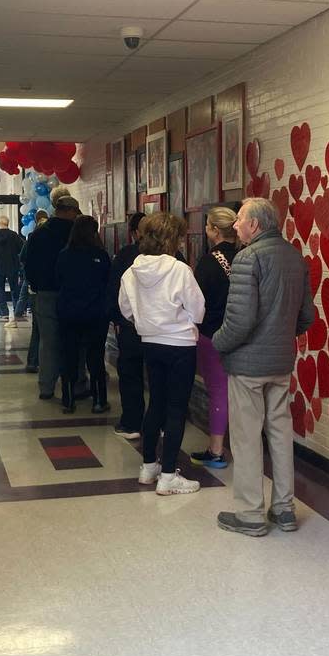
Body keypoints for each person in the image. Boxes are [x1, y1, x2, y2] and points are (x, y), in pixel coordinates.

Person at [212, 198, 314, 536]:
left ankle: (251, 513)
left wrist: (218, 342)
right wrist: (281, 335)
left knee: (246, 439)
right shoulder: (295, 257)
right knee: (281, 435)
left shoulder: (248, 257)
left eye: (240, 219)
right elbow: (306, 317)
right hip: (281, 362)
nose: (236, 225)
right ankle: (284, 509)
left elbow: (240, 321)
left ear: (255, 225)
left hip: (248, 366)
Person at [118, 212, 205, 496]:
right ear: (171, 238)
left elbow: (125, 309)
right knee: (176, 409)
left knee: (155, 402)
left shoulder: (131, 271)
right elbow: (198, 311)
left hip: (150, 343)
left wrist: (148, 321)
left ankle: (148, 467)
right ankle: (168, 476)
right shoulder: (180, 270)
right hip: (180, 346)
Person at [24, 196, 87, 401]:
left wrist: (36, 285)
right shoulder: (76, 234)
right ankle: (76, 384)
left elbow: (27, 262)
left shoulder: (38, 234)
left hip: (45, 294)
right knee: (75, 341)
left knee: (48, 342)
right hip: (74, 294)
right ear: (70, 211)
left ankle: (46, 387)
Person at [190, 206, 238, 469]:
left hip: (212, 334)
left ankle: (216, 450)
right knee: (242, 393)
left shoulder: (209, 262)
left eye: (207, 225)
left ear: (215, 231)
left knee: (218, 391)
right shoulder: (245, 256)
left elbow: (197, 300)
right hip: (242, 334)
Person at [54, 216, 111, 414]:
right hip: (95, 314)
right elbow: (107, 282)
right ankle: (99, 400)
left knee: (68, 356)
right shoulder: (101, 256)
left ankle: (68, 400)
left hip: (69, 313)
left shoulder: (64, 255)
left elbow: (58, 280)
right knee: (95, 357)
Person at [106, 212, 148, 440]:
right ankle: (158, 422)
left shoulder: (125, 256)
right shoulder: (175, 257)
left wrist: (118, 320)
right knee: (159, 376)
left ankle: (132, 423)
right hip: (163, 332)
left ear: (134, 233)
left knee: (130, 374)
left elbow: (114, 292)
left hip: (131, 326)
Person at [20, 209, 48, 371]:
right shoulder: (53, 240)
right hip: (46, 289)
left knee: (37, 328)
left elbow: (23, 259)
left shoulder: (31, 239)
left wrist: (30, 280)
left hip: (35, 289)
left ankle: (33, 361)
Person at [0, 216, 25, 324]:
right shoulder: (14, 235)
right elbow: (21, 248)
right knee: (14, 288)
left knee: (0, 289)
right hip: (12, 265)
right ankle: (17, 310)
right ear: (7, 223)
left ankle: (3, 313)